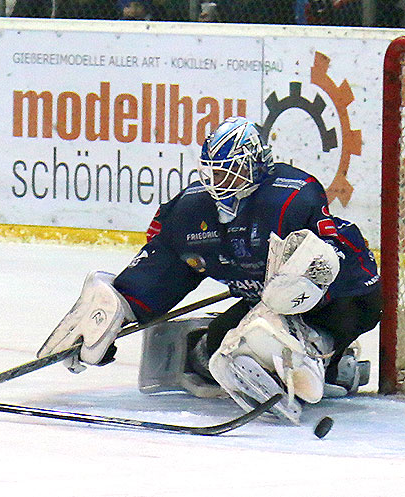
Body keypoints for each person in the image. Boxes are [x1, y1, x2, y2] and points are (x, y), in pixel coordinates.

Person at [39, 117, 380, 422]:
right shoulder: (190, 211)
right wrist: (117, 311)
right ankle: (325, 368)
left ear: (256, 165)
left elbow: (334, 257)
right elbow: (164, 268)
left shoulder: (289, 199)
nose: (221, 180)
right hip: (260, 306)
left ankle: (321, 356)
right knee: (222, 345)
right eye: (215, 171)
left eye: (230, 170)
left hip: (340, 299)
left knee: (271, 332)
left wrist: (306, 280)